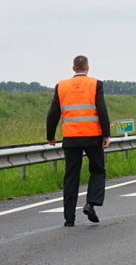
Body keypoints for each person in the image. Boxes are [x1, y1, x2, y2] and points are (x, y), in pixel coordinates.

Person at [47, 55, 110, 227]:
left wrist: (50, 135)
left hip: (71, 137)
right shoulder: (95, 83)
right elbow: (101, 110)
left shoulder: (61, 86)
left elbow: (54, 112)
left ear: (73, 68)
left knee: (71, 175)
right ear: (87, 68)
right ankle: (91, 203)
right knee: (97, 170)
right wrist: (106, 134)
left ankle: (69, 218)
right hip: (93, 136)